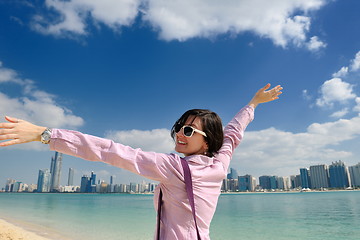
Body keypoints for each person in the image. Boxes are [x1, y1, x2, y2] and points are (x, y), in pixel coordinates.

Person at [0, 83, 282, 239]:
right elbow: (233, 133)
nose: (179, 135)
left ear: (207, 140)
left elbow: (111, 151)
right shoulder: (219, 164)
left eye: (188, 130)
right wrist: (253, 104)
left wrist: (45, 134)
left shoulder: (175, 168)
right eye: (178, 127)